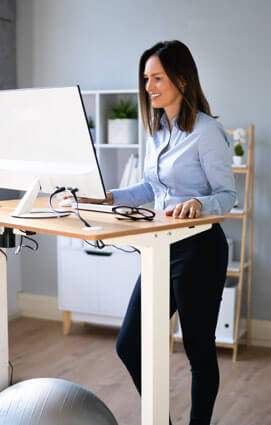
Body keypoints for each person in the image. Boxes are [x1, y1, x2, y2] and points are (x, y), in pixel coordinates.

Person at [74, 40, 236, 425]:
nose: (148, 87)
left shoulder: (207, 131)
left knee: (198, 350)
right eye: (146, 79)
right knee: (130, 343)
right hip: (162, 249)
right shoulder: (157, 130)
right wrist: (109, 197)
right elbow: (150, 190)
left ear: (181, 78)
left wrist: (200, 204)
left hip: (199, 249)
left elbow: (227, 196)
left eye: (157, 77)